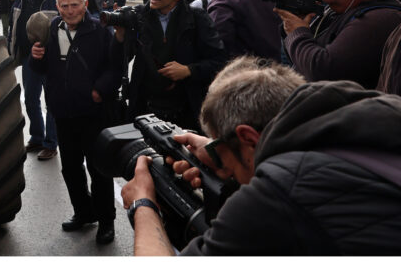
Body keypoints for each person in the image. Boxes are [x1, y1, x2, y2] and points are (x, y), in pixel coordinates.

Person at [121, 57, 401, 255]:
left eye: (229, 162)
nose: (231, 173)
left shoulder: (284, 192)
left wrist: (144, 203)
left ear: (248, 138)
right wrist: (221, 151)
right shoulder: (381, 117)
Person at [29, 0, 119, 244]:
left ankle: (106, 221)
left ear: (85, 4)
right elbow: (41, 68)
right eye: (64, 6)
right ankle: (83, 212)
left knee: (98, 169)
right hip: (63, 112)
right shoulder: (52, 28)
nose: (69, 11)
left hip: (93, 112)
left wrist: (99, 91)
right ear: (58, 7)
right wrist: (36, 58)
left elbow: (115, 67)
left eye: (74, 5)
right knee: (70, 168)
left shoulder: (101, 29)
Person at [115, 0, 226, 131]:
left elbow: (219, 62)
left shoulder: (197, 18)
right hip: (145, 112)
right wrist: (120, 36)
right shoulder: (138, 16)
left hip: (187, 112)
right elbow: (118, 61)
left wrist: (189, 70)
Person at [8, 0, 58, 161]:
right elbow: (12, 28)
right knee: (30, 99)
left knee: (52, 101)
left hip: (51, 59)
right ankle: (37, 137)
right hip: (29, 58)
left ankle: (50, 143)